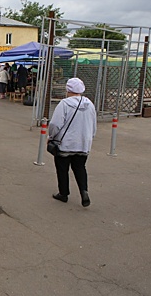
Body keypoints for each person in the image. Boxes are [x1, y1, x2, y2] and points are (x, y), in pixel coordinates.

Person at [48, 77, 96, 207]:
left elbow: (55, 124)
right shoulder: (89, 104)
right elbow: (93, 125)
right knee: (80, 168)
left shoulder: (64, 104)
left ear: (68, 89)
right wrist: (89, 138)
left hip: (65, 143)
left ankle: (63, 194)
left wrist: (51, 136)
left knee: (62, 169)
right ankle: (84, 191)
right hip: (83, 143)